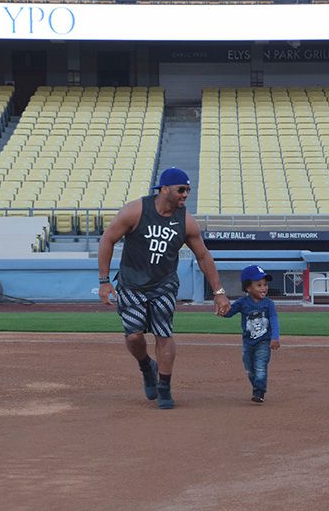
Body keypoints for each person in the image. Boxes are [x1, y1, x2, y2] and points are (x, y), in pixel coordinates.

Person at [98, 167, 231, 409]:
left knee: (164, 333)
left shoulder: (186, 221)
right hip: (131, 284)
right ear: (164, 189)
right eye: (181, 189)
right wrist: (104, 281)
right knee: (134, 335)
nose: (185, 195)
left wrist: (219, 292)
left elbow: (203, 256)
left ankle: (164, 386)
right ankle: (146, 365)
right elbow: (107, 239)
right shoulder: (136, 210)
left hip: (164, 285)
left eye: (188, 191)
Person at [224, 264, 280, 403]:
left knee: (260, 366)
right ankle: (257, 386)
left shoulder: (269, 303)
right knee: (249, 368)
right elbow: (229, 312)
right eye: (259, 285)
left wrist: (275, 337)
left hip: (264, 341)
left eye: (265, 285)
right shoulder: (242, 302)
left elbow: (274, 320)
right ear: (248, 288)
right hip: (248, 342)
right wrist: (222, 310)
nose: (264, 288)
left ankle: (259, 392)